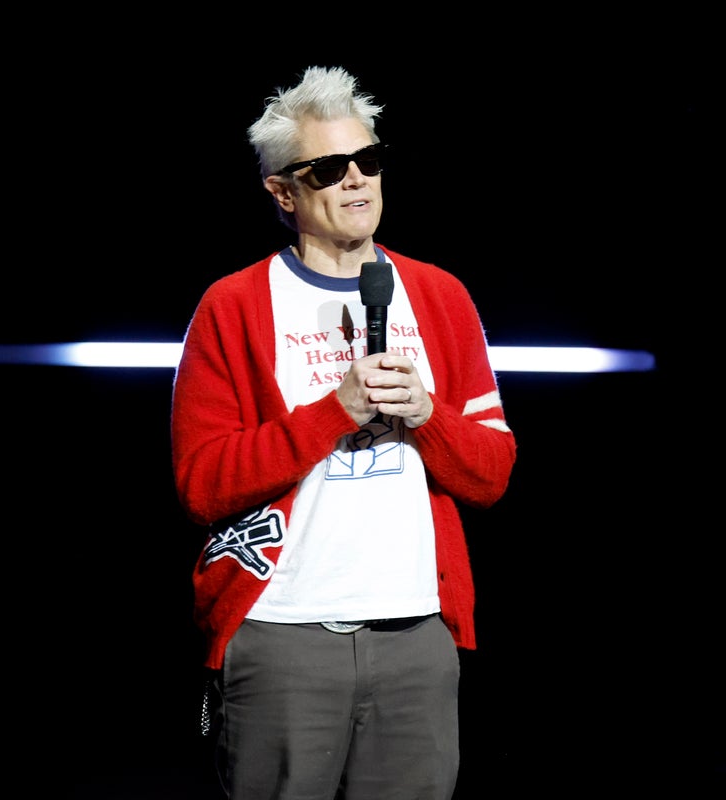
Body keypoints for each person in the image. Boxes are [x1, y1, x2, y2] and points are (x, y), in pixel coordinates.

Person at [170, 65, 516, 800]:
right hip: (283, 634)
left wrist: (427, 415)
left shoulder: (440, 296)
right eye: (328, 168)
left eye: (370, 159)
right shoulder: (234, 305)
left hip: (417, 636)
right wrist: (336, 412)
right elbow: (202, 483)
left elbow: (492, 472)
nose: (356, 179)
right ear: (283, 193)